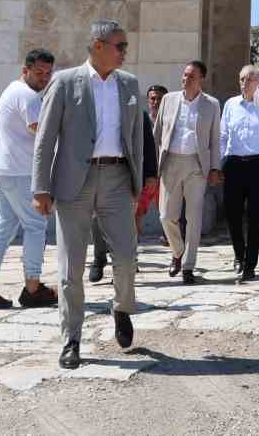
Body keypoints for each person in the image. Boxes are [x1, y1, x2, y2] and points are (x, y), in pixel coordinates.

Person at [31, 21, 146, 370]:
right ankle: (72, 339)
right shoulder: (65, 83)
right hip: (73, 183)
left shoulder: (129, 84)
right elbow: (45, 137)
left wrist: (138, 182)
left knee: (126, 258)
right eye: (119, 45)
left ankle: (122, 308)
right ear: (97, 45)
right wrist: (41, 187)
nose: (125, 51)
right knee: (71, 268)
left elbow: (137, 136)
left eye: (125, 45)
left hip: (116, 178)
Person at [0, 49, 58, 311]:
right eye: (39, 72)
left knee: (4, 229)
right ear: (26, 70)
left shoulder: (13, 89)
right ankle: (33, 288)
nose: (44, 78)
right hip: (20, 172)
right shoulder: (29, 97)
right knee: (35, 226)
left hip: (2, 170)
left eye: (47, 73)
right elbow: (42, 133)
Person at [153, 61, 221, 284]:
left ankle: (189, 266)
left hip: (196, 165)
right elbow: (157, 135)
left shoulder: (211, 105)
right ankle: (178, 251)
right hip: (170, 162)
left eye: (191, 76)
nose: (186, 79)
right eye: (184, 75)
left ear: (201, 79)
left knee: (194, 217)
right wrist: (153, 167)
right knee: (166, 215)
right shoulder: (168, 100)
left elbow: (215, 140)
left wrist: (214, 168)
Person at [221, 65, 259, 283]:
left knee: (255, 217)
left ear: (258, 83)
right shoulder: (230, 105)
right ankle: (239, 255)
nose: (244, 83)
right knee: (232, 214)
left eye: (249, 79)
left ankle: (250, 264)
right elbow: (222, 136)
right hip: (234, 164)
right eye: (242, 79)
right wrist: (219, 166)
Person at [91, 110, 158, 282]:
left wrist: (150, 173)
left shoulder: (137, 113)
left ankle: (123, 266)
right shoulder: (92, 105)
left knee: (125, 223)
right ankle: (99, 258)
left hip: (124, 175)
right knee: (96, 220)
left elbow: (148, 145)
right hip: (93, 171)